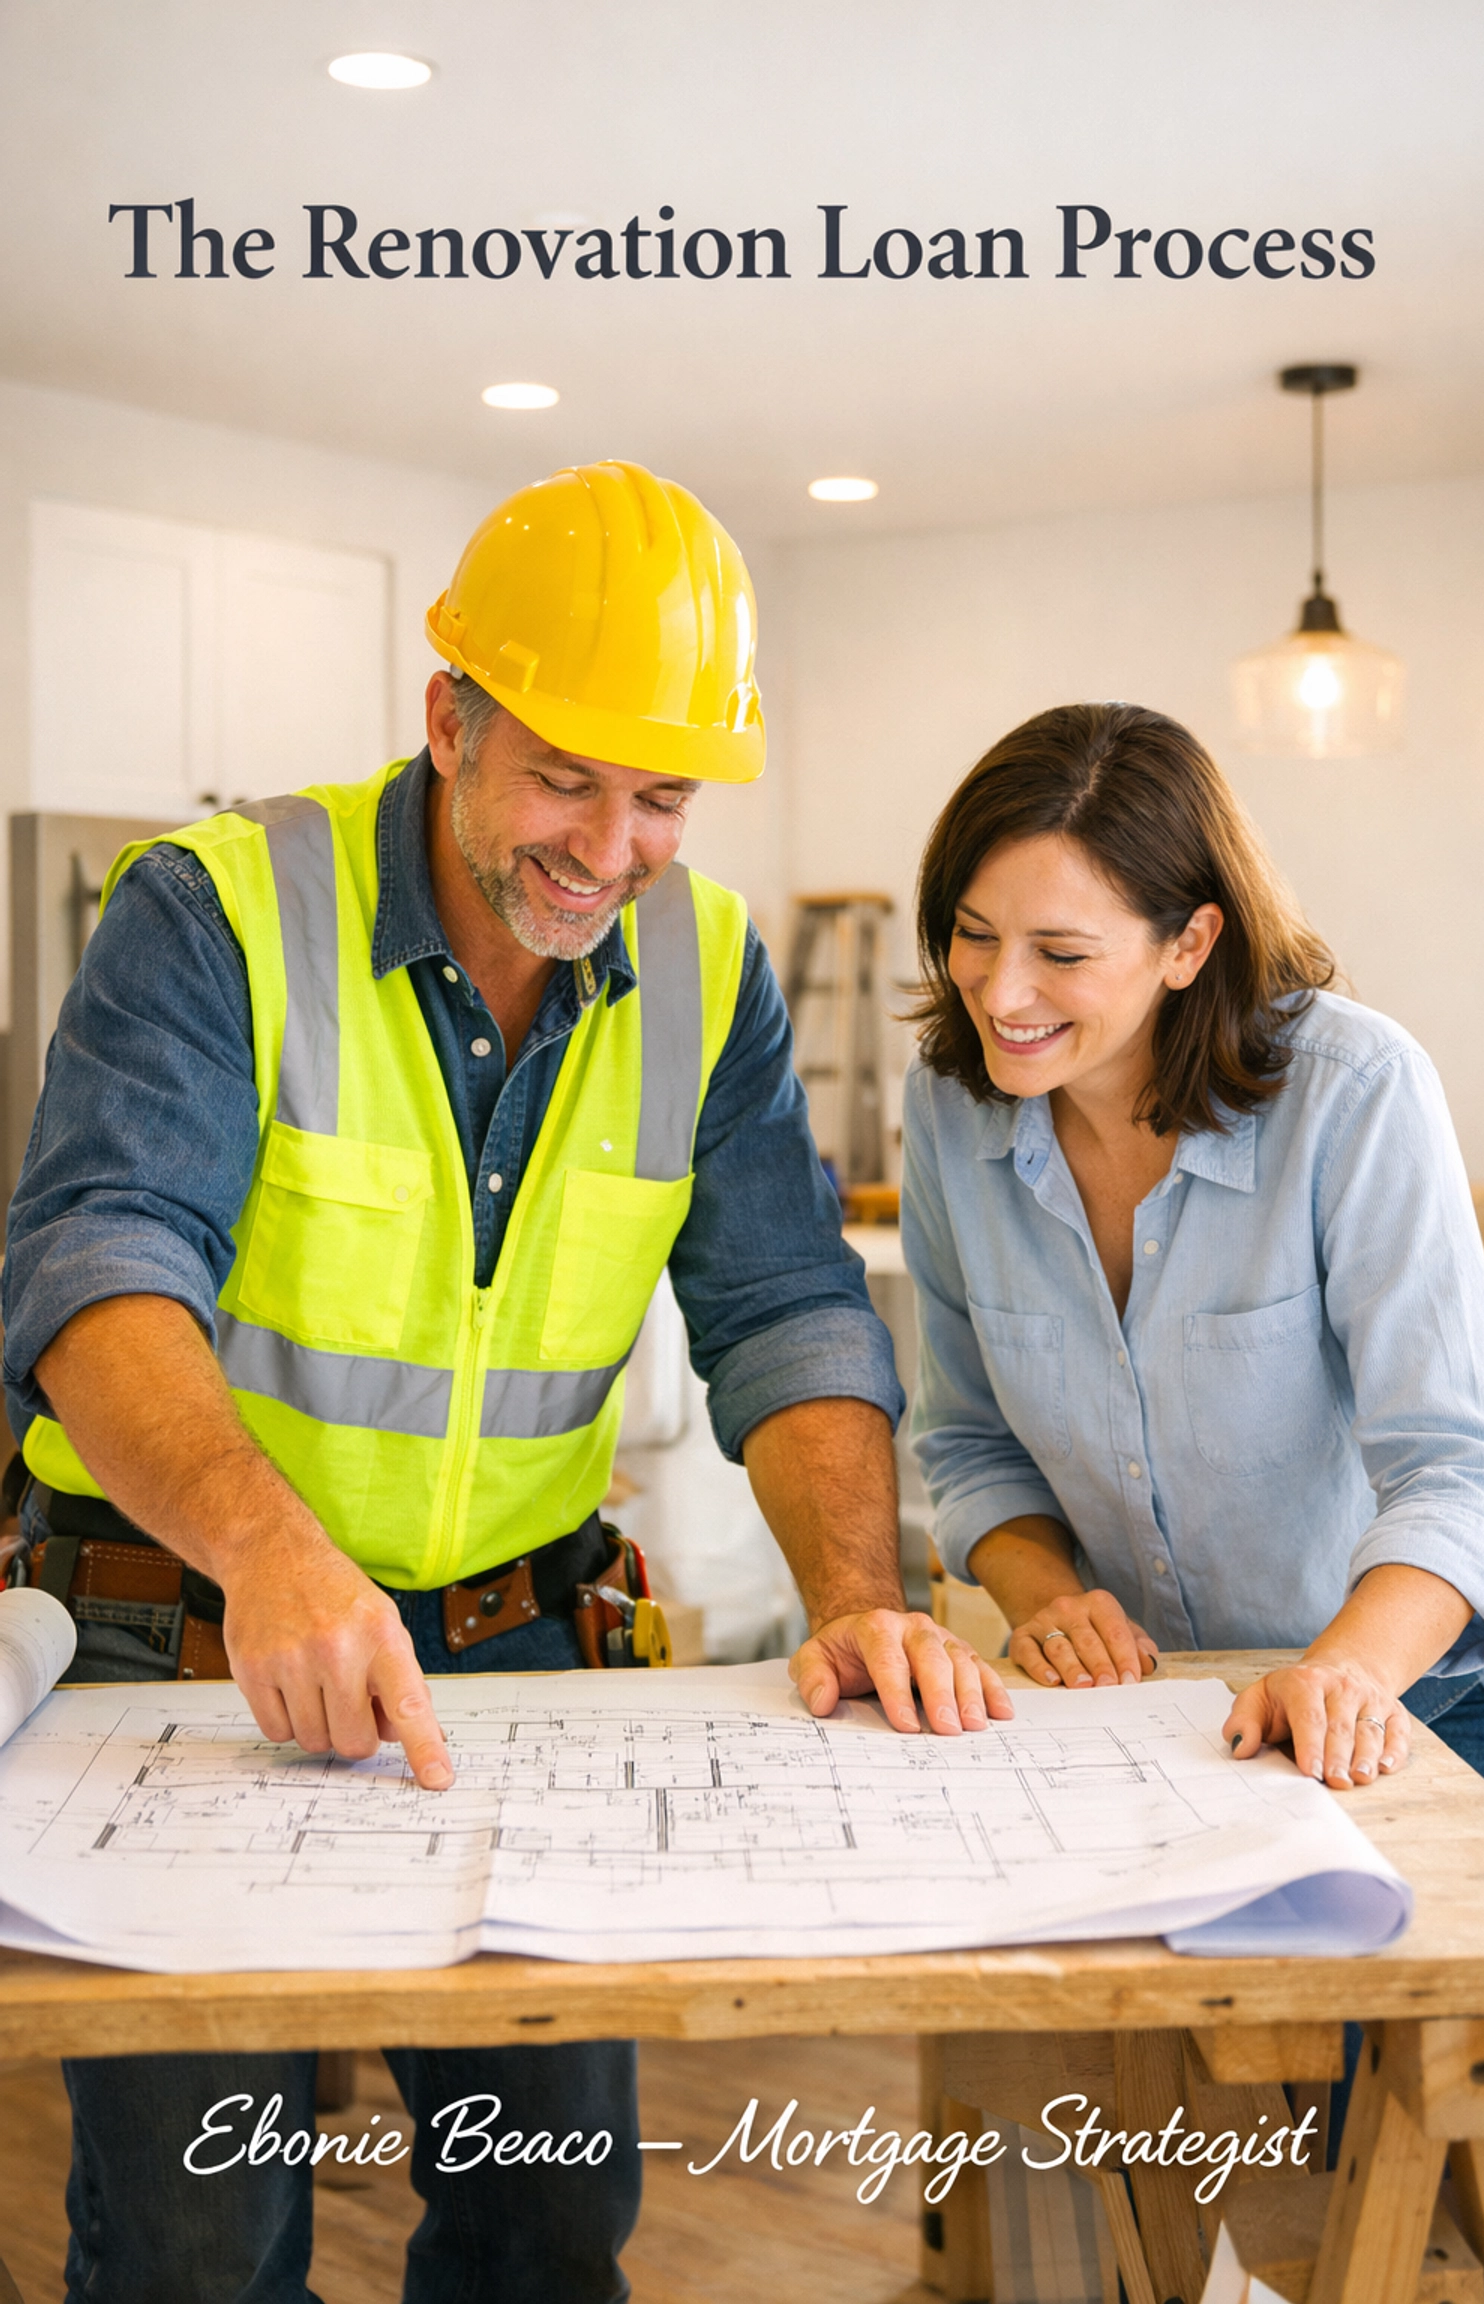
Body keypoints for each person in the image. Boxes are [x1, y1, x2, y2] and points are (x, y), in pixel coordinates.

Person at [1, 459, 1009, 2304]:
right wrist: (269, 1549)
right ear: (449, 715)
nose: (608, 848)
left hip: (515, 1644)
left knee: (548, 2220)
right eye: (562, 776)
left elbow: (782, 1302)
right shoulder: (214, 909)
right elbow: (94, 1268)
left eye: (659, 798)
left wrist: (858, 1596)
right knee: (199, 2250)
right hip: (192, 1638)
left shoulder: (708, 969)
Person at [902, 700, 1484, 1809]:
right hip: (1147, 1725)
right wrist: (1046, 1596)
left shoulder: (1355, 1093)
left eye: (1061, 953)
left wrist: (1343, 1671)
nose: (1001, 994)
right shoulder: (952, 1111)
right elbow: (967, 1440)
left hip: (1421, 1711)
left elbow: (1464, 1472)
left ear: (1190, 943)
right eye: (974, 933)